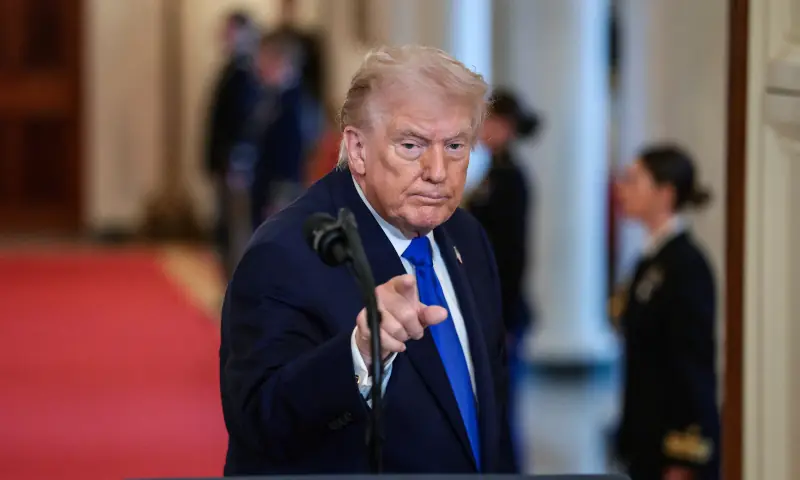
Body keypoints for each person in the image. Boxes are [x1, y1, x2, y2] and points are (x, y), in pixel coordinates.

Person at [219, 45, 517, 475]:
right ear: (357, 149)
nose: (437, 170)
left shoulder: (467, 238)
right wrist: (359, 355)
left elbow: (487, 412)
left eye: (455, 145)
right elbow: (260, 423)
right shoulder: (285, 253)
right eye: (412, 145)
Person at [613, 145, 720, 480]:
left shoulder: (686, 265)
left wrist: (683, 458)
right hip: (646, 437)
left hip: (670, 450)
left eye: (633, 180)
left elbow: (692, 365)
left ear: (665, 194)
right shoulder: (651, 259)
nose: (621, 189)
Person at [466, 88, 540, 340]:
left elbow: (512, 249)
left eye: (489, 119)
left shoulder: (510, 178)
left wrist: (504, 307)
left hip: (501, 300)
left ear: (506, 127)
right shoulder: (493, 173)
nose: (482, 126)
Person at [203, 11, 260, 277]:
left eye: (230, 31)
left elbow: (243, 123)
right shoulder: (231, 68)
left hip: (234, 163)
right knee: (225, 229)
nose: (224, 36)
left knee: (236, 230)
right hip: (224, 160)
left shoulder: (246, 72)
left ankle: (237, 289)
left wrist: (235, 160)